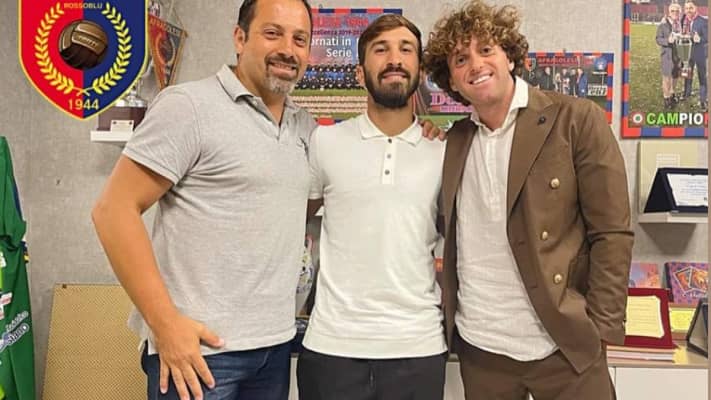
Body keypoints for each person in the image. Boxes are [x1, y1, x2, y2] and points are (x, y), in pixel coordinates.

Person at [92, 1, 316, 399]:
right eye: (272, 33)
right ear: (239, 38)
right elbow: (113, 211)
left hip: (275, 347)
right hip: (200, 354)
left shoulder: (303, 125)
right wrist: (165, 324)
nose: (288, 49)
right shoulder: (189, 106)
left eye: (300, 39)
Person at [423, 1, 634, 399]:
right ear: (451, 81)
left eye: (486, 49)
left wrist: (601, 328)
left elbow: (612, 232)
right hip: (481, 352)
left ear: (509, 56)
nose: (476, 64)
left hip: (565, 348)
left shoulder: (576, 119)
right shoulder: (453, 142)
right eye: (460, 59)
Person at [296, 14, 447, 400]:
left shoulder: (444, 150)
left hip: (418, 348)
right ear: (360, 74)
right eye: (381, 50)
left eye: (406, 49)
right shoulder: (325, 142)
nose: (394, 59)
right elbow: (290, 222)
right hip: (332, 348)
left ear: (420, 71)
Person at [656, 3, 683, 110]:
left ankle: (672, 94)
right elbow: (658, 39)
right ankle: (666, 98)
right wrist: (668, 40)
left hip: (678, 55)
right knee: (666, 77)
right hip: (667, 55)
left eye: (677, 11)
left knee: (675, 76)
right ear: (669, 12)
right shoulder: (663, 24)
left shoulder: (681, 24)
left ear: (680, 13)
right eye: (673, 11)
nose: (675, 13)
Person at [681, 0, 708, 110]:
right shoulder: (683, 20)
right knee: (687, 75)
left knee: (702, 77)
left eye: (691, 8)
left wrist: (699, 39)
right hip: (687, 53)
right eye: (686, 8)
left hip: (700, 53)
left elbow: (707, 37)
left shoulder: (703, 21)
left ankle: (703, 100)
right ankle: (686, 94)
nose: (688, 10)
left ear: (695, 8)